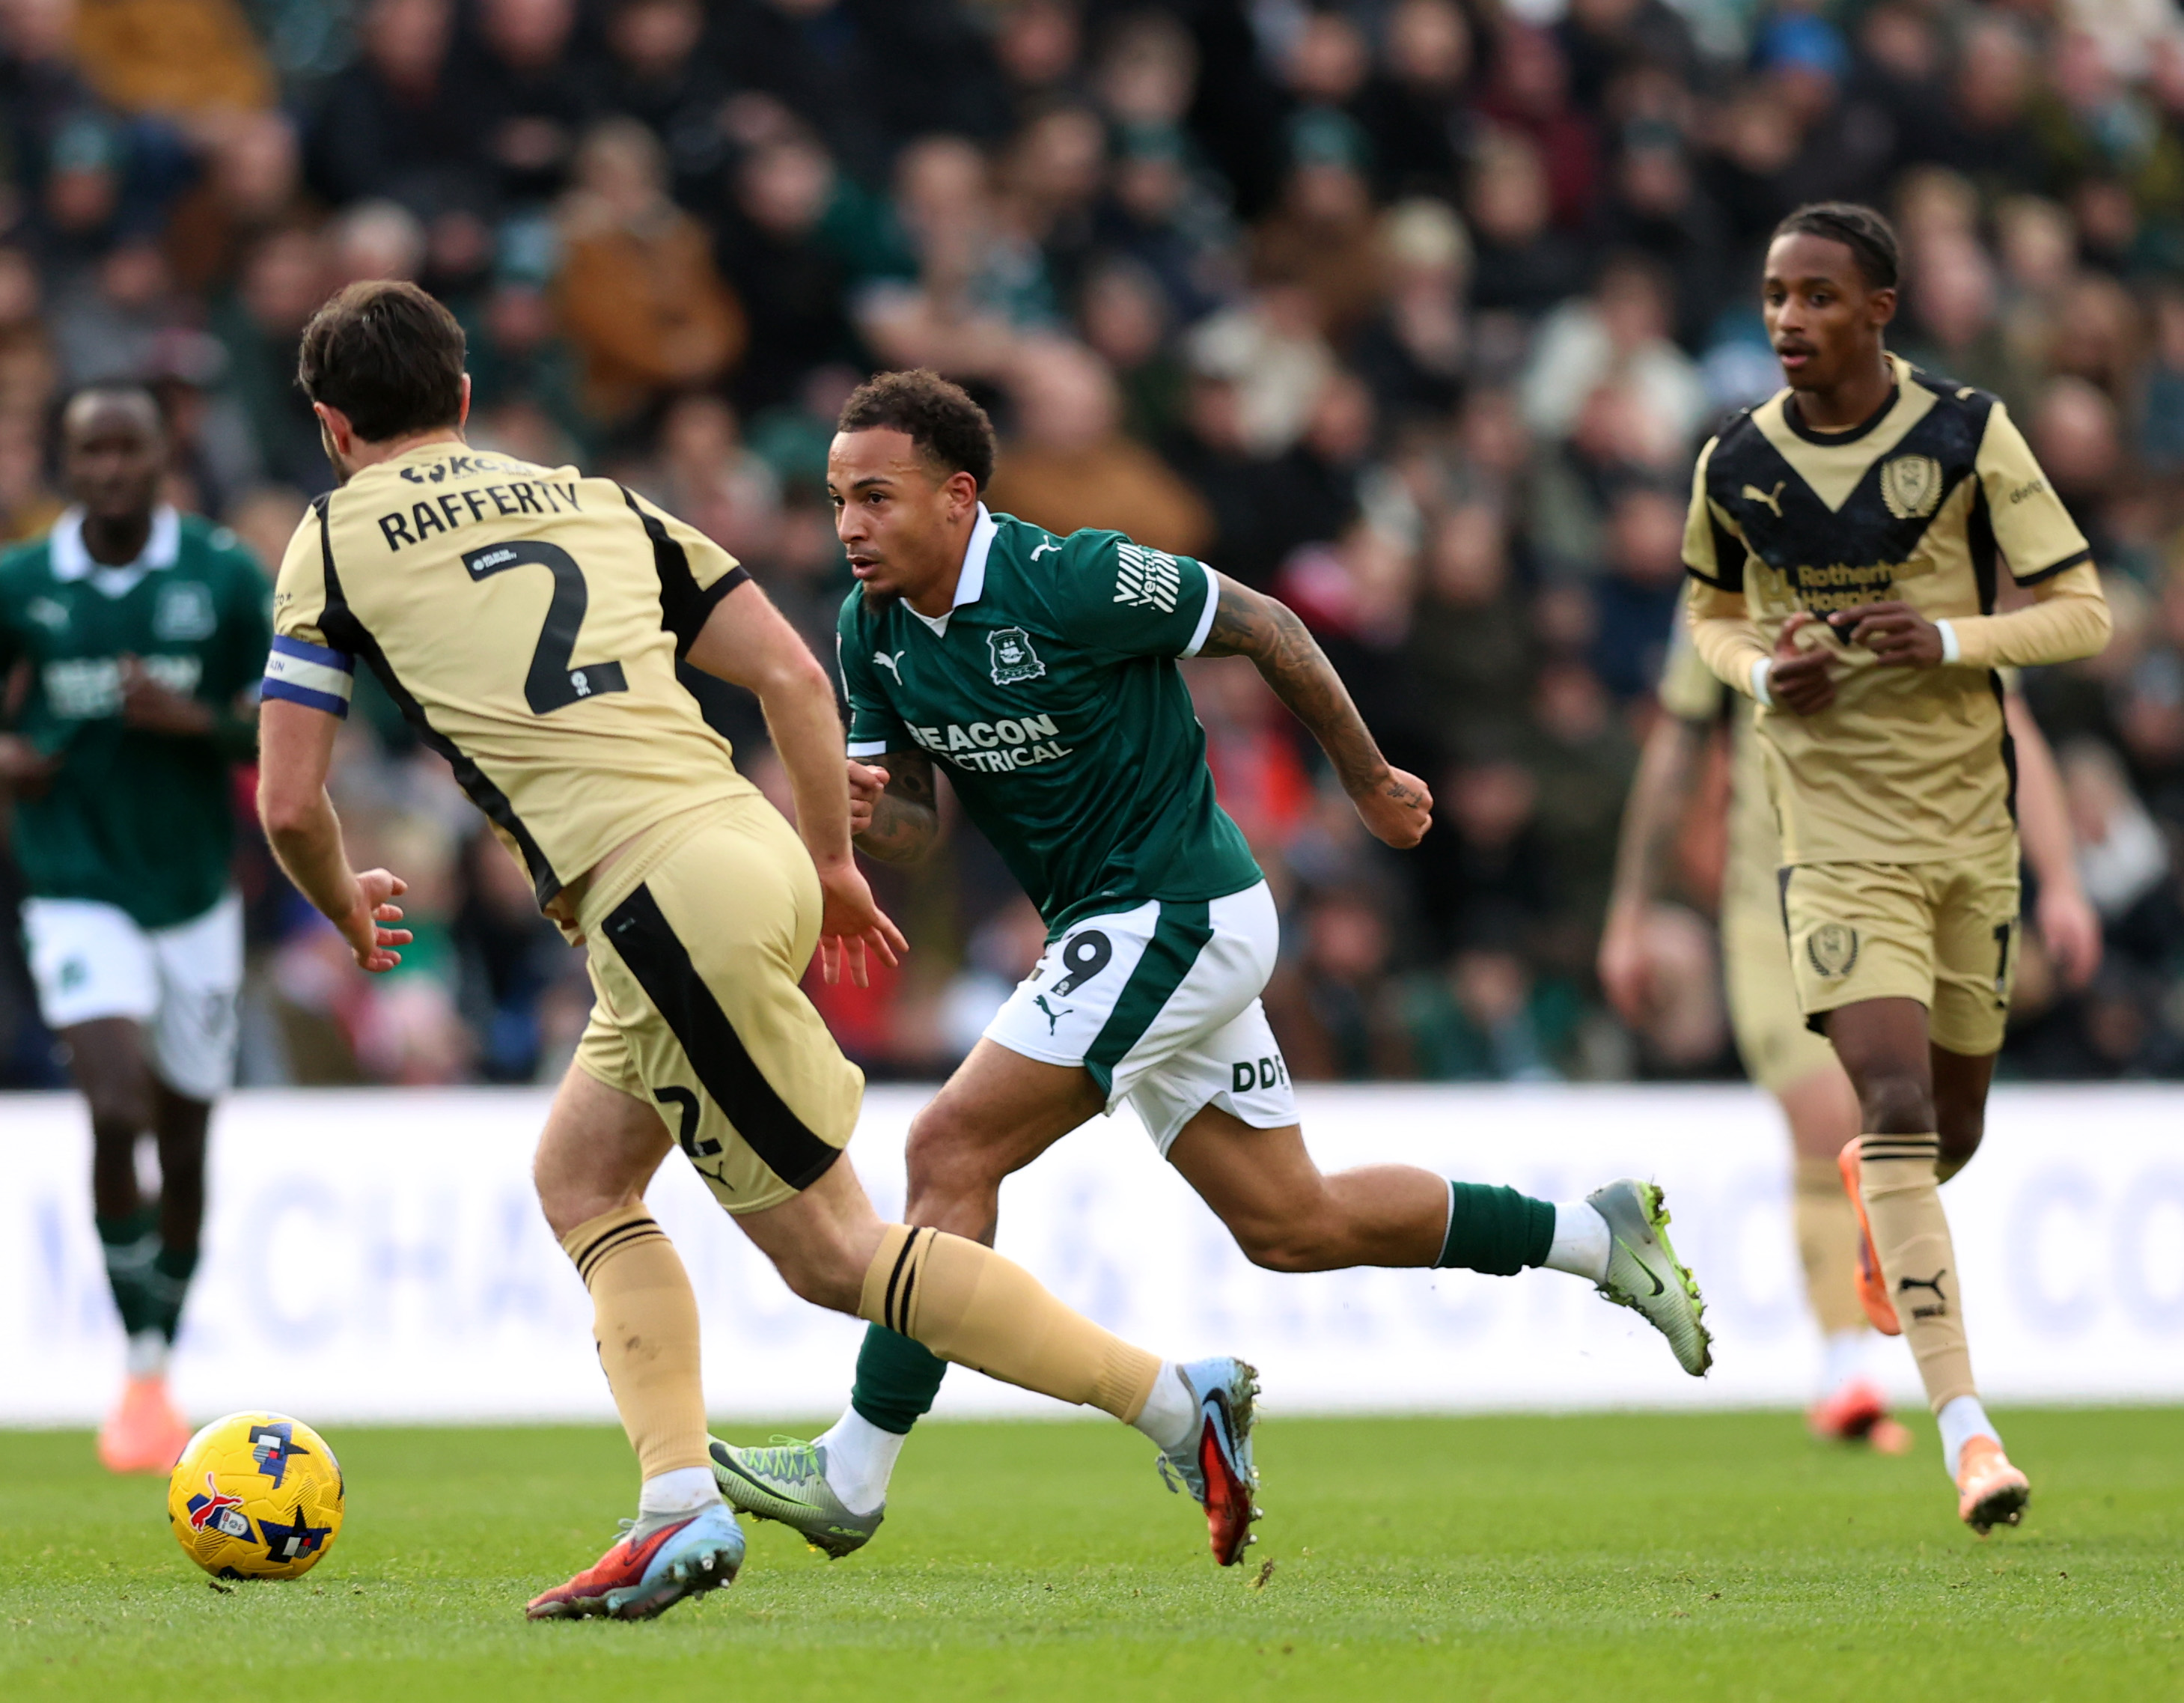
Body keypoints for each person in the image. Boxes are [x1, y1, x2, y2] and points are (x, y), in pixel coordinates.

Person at [251, 280, 1266, 1624]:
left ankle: (1170, 1399)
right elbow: (790, 675)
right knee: (581, 1175)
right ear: (465, 399)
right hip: (739, 849)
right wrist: (831, 865)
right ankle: (675, 1499)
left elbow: (287, 802)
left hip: (651, 897)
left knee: (833, 1253)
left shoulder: (330, 540)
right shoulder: (597, 498)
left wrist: (339, 897)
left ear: (332, 427)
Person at [710, 369, 1712, 1561]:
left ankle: (854, 1469)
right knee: (1292, 1222)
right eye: (836, 499)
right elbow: (919, 821)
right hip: (1119, 928)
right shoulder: (868, 628)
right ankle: (1596, 1235)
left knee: (947, 1149)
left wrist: (1365, 778)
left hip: (1175, 905)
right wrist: (869, 810)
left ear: (957, 495)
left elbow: (1268, 625)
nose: (850, 524)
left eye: (875, 496)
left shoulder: (1072, 576)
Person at [1680, 203, 2111, 1534]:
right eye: (1773, 294)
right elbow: (1704, 618)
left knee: (1946, 1128)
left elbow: (2081, 612)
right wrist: (1763, 675)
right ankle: (1967, 1433)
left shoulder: (1966, 435)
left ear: (1878, 308)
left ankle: (1884, 1213)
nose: (1786, 319)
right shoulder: (1732, 461)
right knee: (1887, 1099)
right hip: (1829, 839)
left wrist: (1948, 639)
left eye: (1816, 296)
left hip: (1966, 836)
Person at [1603, 597, 2099, 1451]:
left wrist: (2061, 881)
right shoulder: (1727, 592)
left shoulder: (1934, 574)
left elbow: (2010, 726)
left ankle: (1876, 1224)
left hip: (1916, 891)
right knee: (1822, 1113)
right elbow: (1679, 745)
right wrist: (1629, 911)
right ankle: (1844, 1369)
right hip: (1774, 903)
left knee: (1925, 1120)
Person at [0, 385, 274, 1474]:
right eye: (91, 450)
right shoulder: (21, 579)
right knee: (114, 1101)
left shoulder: (223, 576)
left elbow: (285, 722)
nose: (110, 469)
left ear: (161, 456)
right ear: (66, 460)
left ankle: (153, 1357)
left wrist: (200, 722)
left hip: (191, 890)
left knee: (184, 1134)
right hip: (73, 876)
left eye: (128, 448)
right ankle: (139, 1359)